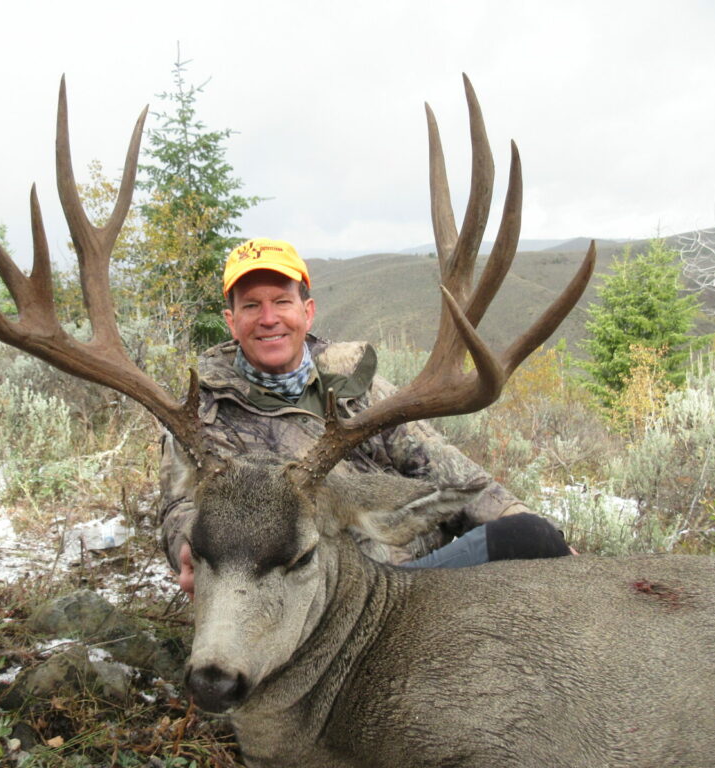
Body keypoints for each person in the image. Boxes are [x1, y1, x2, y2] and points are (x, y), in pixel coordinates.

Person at [159, 237, 571, 596]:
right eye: (251, 306)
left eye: (282, 302)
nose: (269, 319)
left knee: (531, 536)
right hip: (324, 601)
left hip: (413, 573)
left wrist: (517, 517)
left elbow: (446, 469)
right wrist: (187, 546)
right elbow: (181, 506)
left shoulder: (357, 383)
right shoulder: (204, 415)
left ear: (307, 312)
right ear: (232, 322)